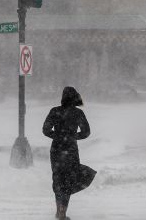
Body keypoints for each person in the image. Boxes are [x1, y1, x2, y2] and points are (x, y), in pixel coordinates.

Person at [43, 86, 96, 220]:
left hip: (56, 150)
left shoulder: (55, 111)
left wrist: (57, 136)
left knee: (58, 179)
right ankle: (62, 212)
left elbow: (45, 129)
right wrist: (73, 137)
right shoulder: (78, 113)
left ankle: (59, 211)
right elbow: (86, 132)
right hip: (71, 150)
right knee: (68, 179)